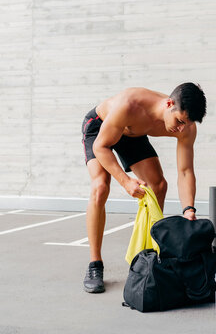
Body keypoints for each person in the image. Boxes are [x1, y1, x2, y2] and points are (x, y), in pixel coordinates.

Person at [81, 83, 207, 293]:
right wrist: (125, 181)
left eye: (186, 123)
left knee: (159, 185)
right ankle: (95, 264)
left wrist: (189, 210)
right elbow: (100, 147)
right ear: (169, 104)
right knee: (101, 187)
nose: (181, 128)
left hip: (132, 133)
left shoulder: (187, 127)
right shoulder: (130, 104)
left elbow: (185, 171)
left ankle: (148, 257)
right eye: (179, 121)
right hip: (101, 129)